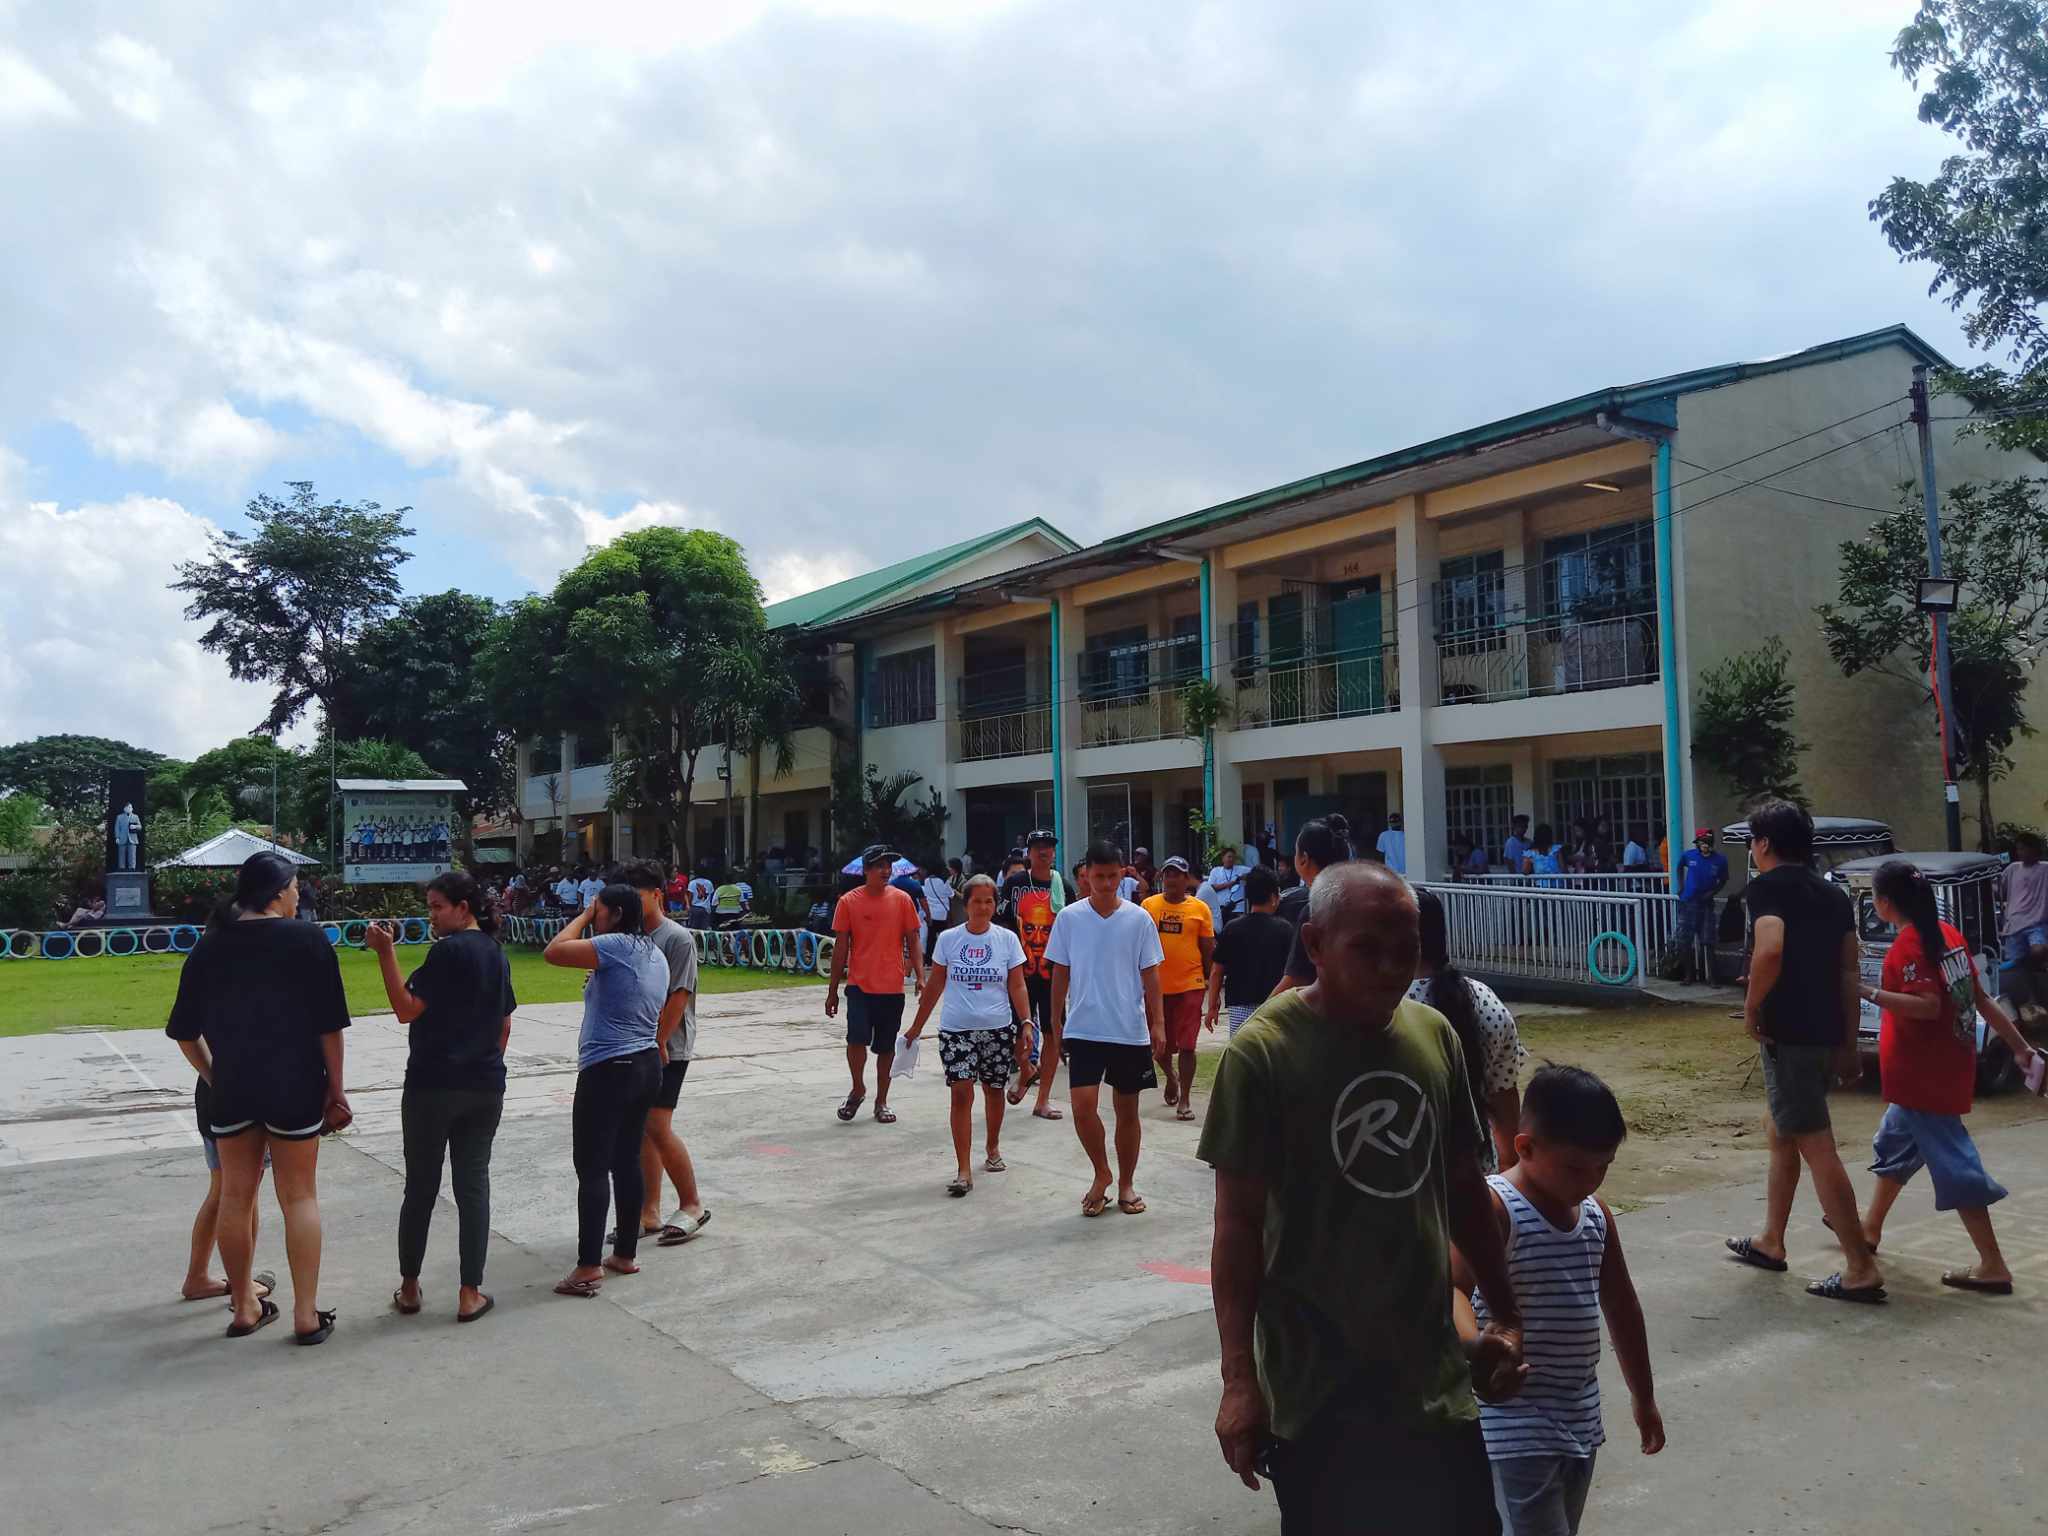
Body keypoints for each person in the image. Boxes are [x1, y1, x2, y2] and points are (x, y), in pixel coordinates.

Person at [1201, 862, 1524, 1533]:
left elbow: (1463, 1188)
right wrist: (1239, 1380)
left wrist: (1506, 1314)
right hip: (1318, 1395)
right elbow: (1236, 1227)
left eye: (1404, 951)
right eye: (1366, 949)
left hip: (1433, 1383)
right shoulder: (1261, 1055)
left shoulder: (1434, 1036)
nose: (1389, 968)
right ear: (1315, 944)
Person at [1452, 1066, 1664, 1536]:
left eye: (1603, 1166)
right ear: (1525, 1147)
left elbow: (1623, 1309)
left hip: (1578, 1415)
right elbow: (1451, 1291)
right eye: (1575, 1167)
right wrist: (1477, 1349)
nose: (1590, 1181)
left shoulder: (1595, 1214)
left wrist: (1643, 1396)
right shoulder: (1495, 1207)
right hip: (1511, 1418)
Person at [166, 851, 350, 1343]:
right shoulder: (309, 940)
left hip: (234, 1088)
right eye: (294, 887)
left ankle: (245, 1305)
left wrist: (213, 1076)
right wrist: (336, 1089)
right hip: (293, 1084)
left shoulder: (210, 946)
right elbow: (330, 1027)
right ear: (277, 892)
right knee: (299, 1196)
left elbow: (184, 1032)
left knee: (235, 1194)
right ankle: (306, 1315)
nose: (297, 896)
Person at [1846, 860, 2042, 1294]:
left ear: (1882, 903)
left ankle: (1992, 1263)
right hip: (1939, 1068)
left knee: (1956, 1165)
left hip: (1923, 1075)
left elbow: (1929, 1005)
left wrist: (1867, 992)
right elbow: (1981, 1000)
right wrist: (2020, 1047)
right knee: (1894, 1143)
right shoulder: (1948, 937)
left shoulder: (1909, 947)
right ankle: (1870, 1228)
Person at [1722, 800, 1885, 1303]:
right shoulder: (1833, 896)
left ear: (1764, 844)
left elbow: (1769, 948)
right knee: (1782, 1131)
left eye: (1753, 840)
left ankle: (1860, 1266)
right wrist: (1849, 1043)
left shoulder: (1765, 888)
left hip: (1787, 1034)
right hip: (1822, 1032)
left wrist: (1751, 1008)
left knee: (1816, 1144)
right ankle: (1772, 1239)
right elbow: (1849, 974)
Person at [366, 869, 513, 1323]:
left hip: (433, 1085)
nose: (431, 916)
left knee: (422, 1186)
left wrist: (385, 954)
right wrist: (481, 1058)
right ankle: (470, 1291)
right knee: (473, 1186)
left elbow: (405, 1009)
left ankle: (410, 1287)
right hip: (483, 1084)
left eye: (437, 907)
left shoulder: (446, 953)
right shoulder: (494, 952)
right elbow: (505, 1022)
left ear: (462, 908)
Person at [544, 882, 668, 1298]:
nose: (593, 918)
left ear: (614, 914)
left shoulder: (615, 944)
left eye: (599, 911)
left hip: (610, 1067)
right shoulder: (653, 951)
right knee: (626, 1159)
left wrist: (581, 916)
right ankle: (625, 1253)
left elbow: (555, 950)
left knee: (593, 1166)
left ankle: (587, 1265)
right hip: (646, 1062)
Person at [1048, 840, 1165, 1217]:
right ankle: (1102, 1173)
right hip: (1083, 1026)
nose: (1106, 883)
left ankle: (1127, 1184)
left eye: (1113, 876)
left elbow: (1151, 974)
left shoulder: (1139, 918)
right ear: (1086, 876)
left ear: (1123, 873)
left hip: (1128, 1029)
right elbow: (1060, 971)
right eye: (1098, 877)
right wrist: (1055, 1018)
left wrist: (1158, 1021)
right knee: (1082, 1107)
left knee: (1127, 1111)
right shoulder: (1069, 918)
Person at [903, 875, 1031, 1196]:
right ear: (966, 903)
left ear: (995, 904)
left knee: (993, 1090)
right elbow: (935, 985)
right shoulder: (949, 940)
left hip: (998, 1028)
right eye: (977, 901)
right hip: (956, 1029)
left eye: (989, 901)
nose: (983, 907)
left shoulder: (1007, 940)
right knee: (961, 1092)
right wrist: (916, 1027)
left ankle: (992, 1147)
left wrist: (1027, 1021)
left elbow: (1016, 984)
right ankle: (963, 1169)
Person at [616, 862, 710, 1247]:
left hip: (668, 1046)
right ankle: (648, 1211)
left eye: (637, 896)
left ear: (657, 894)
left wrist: (658, 1043)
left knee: (657, 1125)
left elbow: (679, 995)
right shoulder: (631, 935)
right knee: (641, 1128)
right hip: (637, 1043)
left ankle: (691, 1204)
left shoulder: (676, 938)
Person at [1411, 886, 1527, 1173]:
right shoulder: (1485, 1000)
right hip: (1476, 1170)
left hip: (1406, 1176)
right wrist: (1511, 1170)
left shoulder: (1380, 1004)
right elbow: (1504, 1095)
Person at [826, 845, 925, 1125]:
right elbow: (841, 947)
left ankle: (882, 1101)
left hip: (892, 986)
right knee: (856, 1039)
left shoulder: (902, 899)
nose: (885, 870)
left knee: (885, 1047)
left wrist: (920, 975)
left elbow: (913, 939)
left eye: (888, 865)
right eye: (879, 865)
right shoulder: (848, 901)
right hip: (859, 985)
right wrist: (833, 989)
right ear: (866, 870)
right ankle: (858, 1087)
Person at [996, 829, 1069, 1119]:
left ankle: (1043, 1099)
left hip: (1053, 972)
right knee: (1015, 1029)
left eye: (1048, 847)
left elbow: (1070, 927)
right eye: (1037, 847)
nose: (1043, 851)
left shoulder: (1062, 885)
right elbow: (1000, 922)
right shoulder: (1014, 884)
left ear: (1054, 852)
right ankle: (1026, 1069)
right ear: (1028, 852)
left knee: (1053, 1032)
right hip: (1019, 972)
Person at [1144, 856, 1215, 1122]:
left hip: (1190, 984)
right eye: (1168, 874)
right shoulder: (1148, 906)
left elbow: (1208, 946)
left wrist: (1209, 980)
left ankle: (1185, 1098)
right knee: (1158, 1045)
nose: (1172, 879)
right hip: (1156, 988)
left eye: (1177, 874)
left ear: (1187, 879)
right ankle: (1171, 1077)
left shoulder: (1200, 909)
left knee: (1187, 1045)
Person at [1203, 864, 1292, 1038]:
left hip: (1239, 1007)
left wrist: (1212, 1006)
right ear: (1274, 897)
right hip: (1275, 1005)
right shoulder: (1285, 929)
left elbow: (1216, 972)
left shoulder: (1232, 928)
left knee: (1243, 1055)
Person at [1273, 814, 1353, 994]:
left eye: (1295, 851)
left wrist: (1257, 1019)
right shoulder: (1362, 897)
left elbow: (1296, 979)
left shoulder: (1317, 908)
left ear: (1303, 859)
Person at [1996, 830, 2048, 1022]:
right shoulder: (2012, 869)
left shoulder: (2045, 868)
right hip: (2015, 922)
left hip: (2037, 922)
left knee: (2038, 951)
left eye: (2024, 848)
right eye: (2018, 848)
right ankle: (2034, 998)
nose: (2020, 852)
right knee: (2020, 963)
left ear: (2035, 850)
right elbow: (1998, 889)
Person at [1673, 829, 1729, 983]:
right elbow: (1679, 867)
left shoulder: (1720, 860)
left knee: (1708, 940)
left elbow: (1724, 880)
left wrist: (1713, 892)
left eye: (1708, 843)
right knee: (1685, 939)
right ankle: (1688, 975)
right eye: (1702, 843)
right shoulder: (1689, 855)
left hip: (1706, 904)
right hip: (1688, 902)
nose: (1705, 846)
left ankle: (1712, 977)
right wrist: (1680, 886)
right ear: (1698, 844)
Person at [923, 860, 956, 962]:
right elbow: (951, 895)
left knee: (931, 938)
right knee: (944, 938)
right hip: (942, 914)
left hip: (931, 914)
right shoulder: (943, 881)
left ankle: (928, 960)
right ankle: (943, 959)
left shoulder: (926, 881)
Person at [1522, 824, 1566, 890]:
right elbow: (1563, 869)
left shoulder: (1555, 850)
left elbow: (1525, 871)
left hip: (1552, 886)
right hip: (1553, 886)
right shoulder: (1531, 853)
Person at [1209, 846, 1246, 925]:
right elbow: (1211, 888)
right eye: (1229, 857)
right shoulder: (1216, 871)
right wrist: (1230, 883)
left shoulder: (1241, 869)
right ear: (1223, 858)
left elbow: (1256, 872)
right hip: (1222, 909)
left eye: (1233, 857)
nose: (1231, 859)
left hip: (1238, 909)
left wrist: (1245, 877)